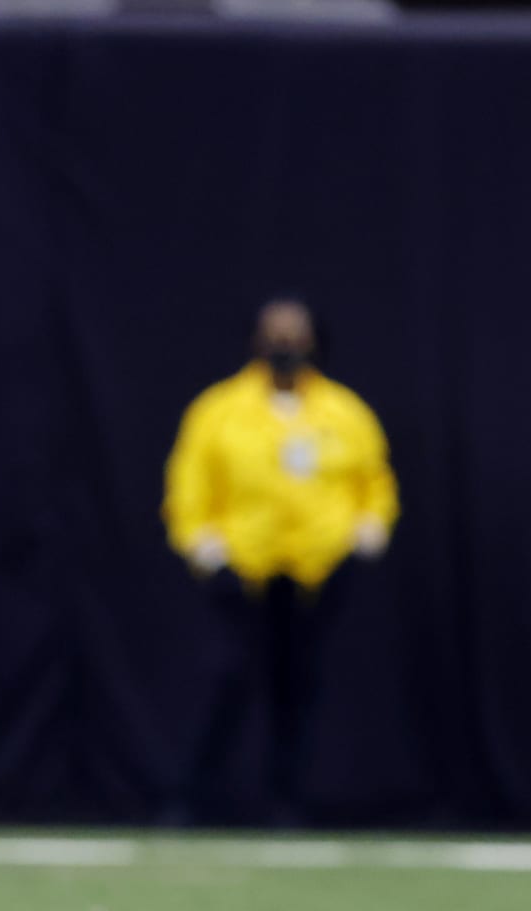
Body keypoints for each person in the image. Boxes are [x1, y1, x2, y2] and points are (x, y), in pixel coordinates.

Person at [162, 297, 398, 818]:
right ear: (256, 340)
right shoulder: (219, 409)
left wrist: (367, 534)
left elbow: (375, 482)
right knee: (230, 677)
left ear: (314, 341)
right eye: (275, 333)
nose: (285, 345)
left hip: (317, 572)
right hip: (243, 570)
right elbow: (188, 485)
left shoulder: (343, 411)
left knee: (299, 687)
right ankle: (193, 797)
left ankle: (286, 800)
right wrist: (205, 548)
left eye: (295, 334)